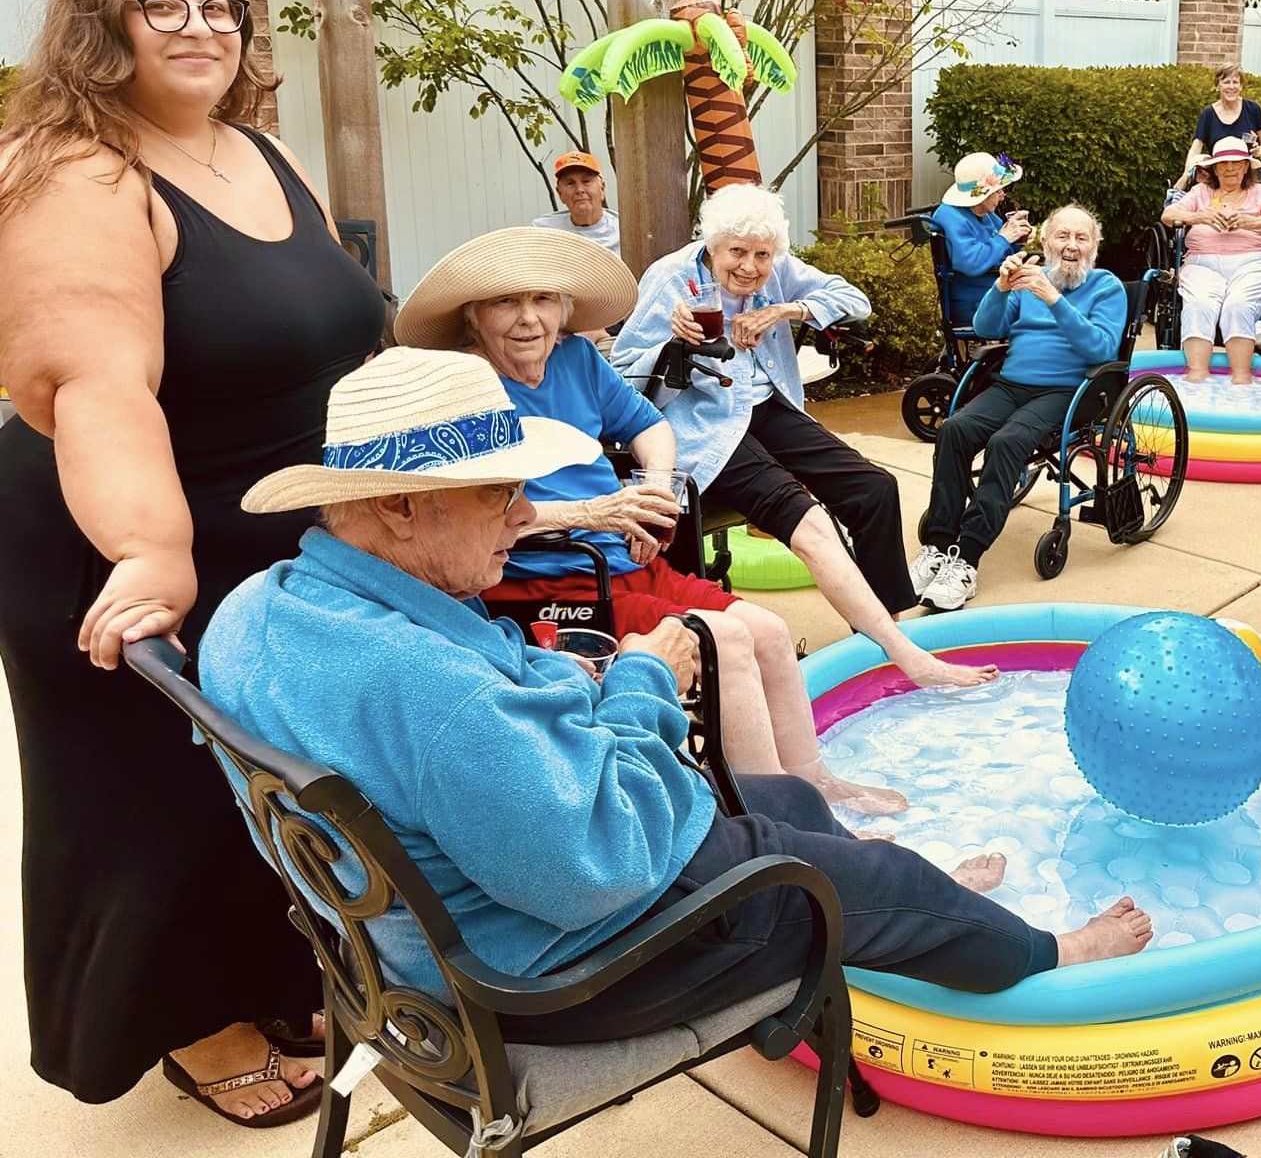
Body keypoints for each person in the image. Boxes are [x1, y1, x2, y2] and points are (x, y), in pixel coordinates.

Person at [203, 351, 1155, 1047]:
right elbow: (602, 864)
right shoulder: (431, 692)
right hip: (558, 968)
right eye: (498, 496)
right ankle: (1045, 950)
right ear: (397, 506)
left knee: (789, 799)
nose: (528, 516)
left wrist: (571, 687)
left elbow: (474, 724)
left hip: (438, 928)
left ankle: (931, 904)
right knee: (865, 883)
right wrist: (645, 682)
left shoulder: (253, 613)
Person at [0, 0, 387, 1122]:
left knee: (258, 781)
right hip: (111, 533)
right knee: (149, 801)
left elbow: (340, 323)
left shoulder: (262, 151)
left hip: (265, 534)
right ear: (99, 25)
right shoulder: (76, 171)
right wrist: (148, 551)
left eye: (217, 6)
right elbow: (93, 384)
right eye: (160, 6)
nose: (199, 27)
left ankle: (267, 977)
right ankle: (191, 1025)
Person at [394, 227, 905, 815]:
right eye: (507, 302)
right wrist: (595, 512)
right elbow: (468, 518)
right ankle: (774, 821)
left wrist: (656, 489)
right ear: (473, 316)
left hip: (622, 557)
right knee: (724, 641)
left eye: (543, 300)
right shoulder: (463, 388)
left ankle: (815, 783)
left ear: (563, 310)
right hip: (550, 581)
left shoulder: (575, 359)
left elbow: (649, 424)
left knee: (767, 629)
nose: (529, 319)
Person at [612, 183, 995, 689]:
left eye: (762, 255)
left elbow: (854, 301)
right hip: (704, 420)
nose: (750, 267)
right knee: (797, 509)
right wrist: (671, 340)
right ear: (713, 244)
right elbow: (623, 376)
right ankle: (899, 653)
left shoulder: (778, 271)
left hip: (767, 406)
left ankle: (881, 631)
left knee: (875, 487)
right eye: (737, 252)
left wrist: (786, 310)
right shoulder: (671, 278)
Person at [913, 207, 1127, 612]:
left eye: (1081, 237)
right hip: (1011, 384)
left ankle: (967, 560)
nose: (1071, 245)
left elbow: (1101, 348)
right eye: (1062, 236)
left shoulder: (1106, 287)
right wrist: (1001, 287)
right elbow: (986, 328)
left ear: (1095, 246)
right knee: (954, 429)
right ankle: (938, 547)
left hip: (1068, 391)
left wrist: (1053, 299)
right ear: (1045, 243)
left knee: (1007, 442)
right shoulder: (1028, 281)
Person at [1161, 137, 1261, 386]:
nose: (1230, 168)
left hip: (1253, 263)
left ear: (1246, 167)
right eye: (1223, 163)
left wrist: (1252, 222)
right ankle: (1196, 377)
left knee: (1238, 305)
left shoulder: (1260, 193)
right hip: (1202, 263)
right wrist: (1202, 217)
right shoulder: (1201, 192)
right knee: (1199, 304)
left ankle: (1241, 379)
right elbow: (1169, 214)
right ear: (1215, 168)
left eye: (1236, 163)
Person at [930, 152, 1032, 325]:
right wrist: (1004, 238)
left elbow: (1001, 253)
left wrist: (1018, 239)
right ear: (982, 195)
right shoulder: (951, 216)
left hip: (997, 291)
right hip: (976, 302)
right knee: (1043, 310)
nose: (1003, 195)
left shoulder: (986, 214)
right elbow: (970, 263)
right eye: (998, 190)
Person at [1179, 66, 1261, 188]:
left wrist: (1259, 151)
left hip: (1250, 175)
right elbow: (1195, 148)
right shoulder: (1208, 114)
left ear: (1241, 86)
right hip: (1219, 177)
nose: (1231, 87)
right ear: (1217, 86)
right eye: (1226, 82)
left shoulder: (1253, 109)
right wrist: (1186, 175)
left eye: (1235, 82)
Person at [531, 149, 621, 258]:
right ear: (560, 193)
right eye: (570, 183)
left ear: (602, 188)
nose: (579, 190)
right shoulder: (543, 232)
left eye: (586, 181)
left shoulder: (624, 231)